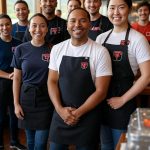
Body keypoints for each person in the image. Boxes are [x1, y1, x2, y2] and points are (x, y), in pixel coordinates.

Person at [48, 8, 112, 150]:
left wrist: (77, 113)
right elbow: (52, 81)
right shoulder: (57, 49)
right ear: (67, 25)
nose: (77, 24)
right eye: (73, 21)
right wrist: (60, 110)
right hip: (61, 113)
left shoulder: (100, 52)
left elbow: (101, 91)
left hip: (88, 116)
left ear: (89, 24)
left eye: (82, 20)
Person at [96, 0, 150, 149]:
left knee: (122, 146)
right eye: (112, 8)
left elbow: (147, 76)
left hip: (124, 104)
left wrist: (123, 99)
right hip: (101, 101)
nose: (116, 12)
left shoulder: (138, 39)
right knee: (105, 145)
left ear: (129, 10)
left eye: (121, 8)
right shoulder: (101, 38)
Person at [11, 13, 54, 150]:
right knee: (30, 142)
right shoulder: (20, 49)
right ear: (29, 28)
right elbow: (17, 78)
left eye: (42, 26)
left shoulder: (53, 49)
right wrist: (16, 103)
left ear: (47, 29)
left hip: (47, 98)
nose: (38, 29)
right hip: (27, 99)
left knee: (40, 143)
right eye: (34, 25)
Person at [0, 14, 26, 150]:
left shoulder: (18, 43)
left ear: (11, 25)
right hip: (2, 84)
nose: (5, 27)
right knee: (1, 116)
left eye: (7, 24)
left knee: (15, 114)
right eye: (1, 25)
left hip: (17, 83)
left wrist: (16, 76)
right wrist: (9, 75)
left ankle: (14, 141)